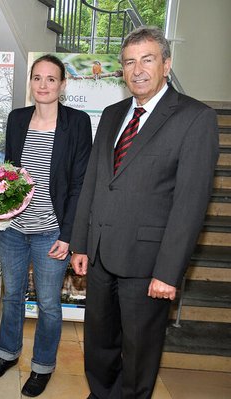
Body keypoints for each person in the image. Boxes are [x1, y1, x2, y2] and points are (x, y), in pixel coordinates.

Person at [70, 26, 219, 399]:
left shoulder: (194, 118)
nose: (138, 70)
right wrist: (80, 244)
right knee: (100, 343)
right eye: (129, 62)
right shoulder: (111, 113)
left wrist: (168, 272)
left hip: (148, 263)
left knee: (139, 351)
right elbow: (94, 182)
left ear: (166, 64)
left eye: (148, 60)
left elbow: (190, 203)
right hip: (102, 254)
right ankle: (102, 393)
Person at [0, 54, 92, 397]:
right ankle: (8, 354)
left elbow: (79, 185)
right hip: (14, 229)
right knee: (12, 295)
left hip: (51, 232)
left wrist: (69, 236)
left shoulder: (77, 123)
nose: (43, 85)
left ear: (62, 84)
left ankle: (43, 365)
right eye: (37, 78)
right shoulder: (17, 119)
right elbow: (9, 174)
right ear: (30, 83)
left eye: (50, 79)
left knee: (48, 303)